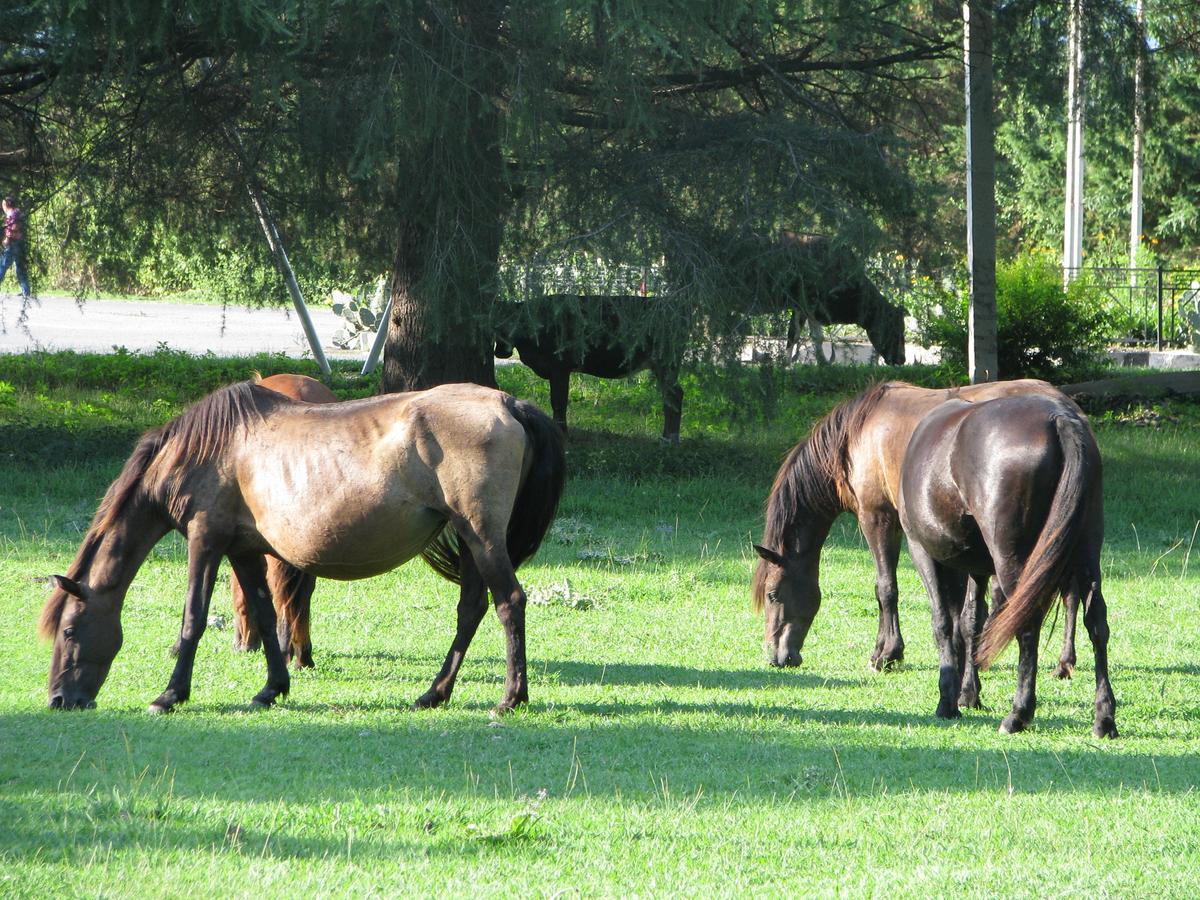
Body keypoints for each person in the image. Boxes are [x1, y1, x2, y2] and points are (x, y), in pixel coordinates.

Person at [0, 195, 31, 300]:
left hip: (13, 243)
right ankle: (26, 290)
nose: (2, 205)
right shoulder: (17, 213)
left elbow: (13, 228)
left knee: (3, 266)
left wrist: (7, 239)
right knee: (20, 267)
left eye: (3, 203)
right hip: (20, 242)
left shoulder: (11, 214)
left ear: (7, 204)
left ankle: (26, 290)